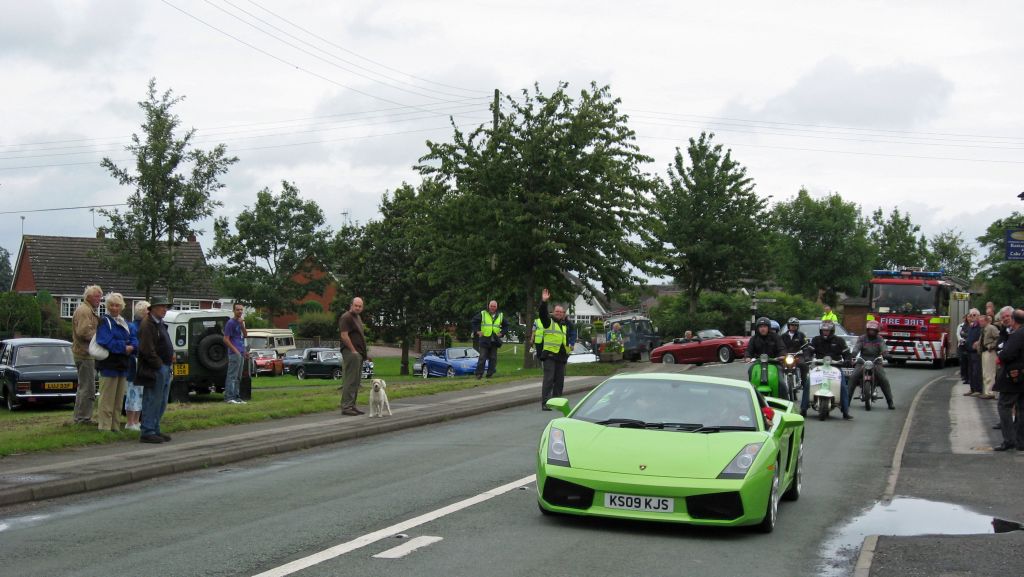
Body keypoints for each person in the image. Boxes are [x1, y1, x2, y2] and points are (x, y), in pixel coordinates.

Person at [93, 293, 137, 432]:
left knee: (118, 400)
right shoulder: (104, 322)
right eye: (111, 305)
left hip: (123, 365)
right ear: (107, 306)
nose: (114, 308)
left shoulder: (125, 323)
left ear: (122, 306)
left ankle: (115, 426)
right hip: (108, 365)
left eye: (117, 305)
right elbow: (105, 341)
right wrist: (124, 347)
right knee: (107, 400)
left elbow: (134, 338)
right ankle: (105, 427)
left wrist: (132, 346)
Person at [136, 296, 174, 444]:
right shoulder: (148, 325)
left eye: (166, 307)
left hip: (164, 366)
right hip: (155, 368)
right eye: (161, 307)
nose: (165, 309)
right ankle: (148, 430)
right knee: (152, 399)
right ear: (153, 309)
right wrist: (158, 365)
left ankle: (155, 428)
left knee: (161, 400)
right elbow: (147, 349)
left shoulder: (159, 323)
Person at [70, 285, 103, 425]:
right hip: (84, 354)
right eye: (96, 296)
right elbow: (83, 332)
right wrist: (100, 339)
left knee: (83, 386)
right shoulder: (84, 311)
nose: (99, 299)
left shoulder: (87, 309)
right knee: (88, 387)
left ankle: (79, 417)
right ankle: (83, 418)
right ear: (88, 297)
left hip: (83, 353)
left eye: (100, 297)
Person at [992, 309, 1024, 451]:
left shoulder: (1017, 334)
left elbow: (1007, 353)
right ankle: (1021, 441)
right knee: (1022, 408)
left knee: (1004, 406)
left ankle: (1009, 439)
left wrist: (1000, 358)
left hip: (1014, 376)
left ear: (1014, 319)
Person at [810, 321, 853, 419]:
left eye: (827, 331)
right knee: (809, 382)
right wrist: (807, 357)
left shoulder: (839, 341)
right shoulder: (816, 340)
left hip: (835, 367)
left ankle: (845, 411)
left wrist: (847, 360)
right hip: (819, 367)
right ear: (821, 330)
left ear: (832, 331)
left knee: (843, 386)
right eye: (824, 330)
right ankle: (803, 408)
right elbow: (809, 350)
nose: (825, 332)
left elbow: (846, 353)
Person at [538, 288, 573, 410]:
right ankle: (546, 402)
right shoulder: (548, 322)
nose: (559, 313)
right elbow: (542, 313)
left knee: (559, 381)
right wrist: (544, 302)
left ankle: (556, 402)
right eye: (557, 311)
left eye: (561, 312)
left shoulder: (564, 326)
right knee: (549, 379)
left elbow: (565, 341)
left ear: (563, 314)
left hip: (561, 357)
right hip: (549, 356)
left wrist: (568, 353)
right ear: (553, 312)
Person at [848, 321, 895, 410]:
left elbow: (883, 348)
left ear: (877, 331)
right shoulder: (862, 338)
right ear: (867, 330)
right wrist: (853, 354)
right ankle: (847, 401)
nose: (871, 332)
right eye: (870, 330)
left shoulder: (880, 339)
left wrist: (886, 355)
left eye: (873, 330)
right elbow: (857, 347)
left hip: (876, 361)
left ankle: (890, 401)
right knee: (852, 377)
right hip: (862, 360)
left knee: (884, 379)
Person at [338, 297, 367, 416]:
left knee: (356, 381)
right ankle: (346, 406)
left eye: (360, 306)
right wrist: (353, 350)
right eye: (356, 305)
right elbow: (344, 335)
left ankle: (352, 405)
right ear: (351, 305)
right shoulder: (346, 317)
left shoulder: (357, 317)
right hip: (351, 353)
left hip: (358, 353)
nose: (358, 308)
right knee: (350, 380)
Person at [744, 317, 787, 397]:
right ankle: (751, 397)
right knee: (751, 371)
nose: (762, 329)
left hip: (774, 363)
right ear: (757, 328)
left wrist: (782, 355)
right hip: (758, 363)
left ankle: (786, 401)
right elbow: (749, 350)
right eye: (760, 327)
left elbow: (782, 348)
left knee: (781, 382)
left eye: (764, 326)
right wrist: (747, 357)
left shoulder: (775, 337)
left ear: (768, 327)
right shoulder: (754, 339)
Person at [124, 300, 149, 431]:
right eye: (147, 311)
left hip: (142, 364)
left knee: (140, 394)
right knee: (133, 393)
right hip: (134, 365)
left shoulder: (145, 326)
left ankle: (137, 421)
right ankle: (130, 421)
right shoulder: (134, 327)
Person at [471, 300, 508, 379]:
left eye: (494, 306)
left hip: (494, 340)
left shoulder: (500, 315)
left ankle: (490, 374)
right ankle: (479, 374)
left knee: (493, 358)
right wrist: (477, 331)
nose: (492, 308)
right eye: (491, 306)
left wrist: (502, 333)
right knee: (482, 357)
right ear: (489, 306)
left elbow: (506, 326)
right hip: (484, 339)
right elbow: (474, 322)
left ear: (496, 307)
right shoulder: (483, 313)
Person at [223, 303, 248, 405]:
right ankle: (229, 397)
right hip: (234, 353)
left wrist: (242, 324)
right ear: (234, 311)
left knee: (238, 376)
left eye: (241, 310)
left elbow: (245, 335)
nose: (240, 312)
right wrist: (236, 350)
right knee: (232, 376)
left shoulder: (240, 323)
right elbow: (225, 339)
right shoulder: (230, 323)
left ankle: (237, 397)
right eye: (238, 310)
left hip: (241, 352)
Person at [781, 317, 810, 406]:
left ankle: (805, 384)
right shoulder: (783, 336)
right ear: (788, 326)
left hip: (797, 355)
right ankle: (781, 385)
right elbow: (779, 346)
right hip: (786, 355)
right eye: (791, 325)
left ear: (797, 326)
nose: (793, 327)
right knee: (779, 367)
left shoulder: (801, 335)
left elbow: (805, 347)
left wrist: (807, 357)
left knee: (803, 365)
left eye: (795, 325)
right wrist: (781, 354)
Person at [978, 314, 1000, 400]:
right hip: (984, 352)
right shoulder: (983, 329)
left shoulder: (991, 328)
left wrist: (991, 345)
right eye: (979, 321)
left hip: (990, 352)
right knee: (985, 372)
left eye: (982, 321)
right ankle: (987, 391)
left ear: (987, 321)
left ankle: (990, 392)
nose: (980, 323)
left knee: (990, 372)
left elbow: (998, 337)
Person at [964, 309, 982, 396]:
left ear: (978, 316)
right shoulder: (971, 326)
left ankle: (978, 390)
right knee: (970, 371)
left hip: (976, 352)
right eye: (971, 315)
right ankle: (972, 388)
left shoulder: (980, 326)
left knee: (976, 371)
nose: (972, 317)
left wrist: (978, 342)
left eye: (974, 315)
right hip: (969, 351)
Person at [957, 313, 971, 385]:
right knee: (963, 361)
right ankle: (965, 377)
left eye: (970, 316)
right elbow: (959, 334)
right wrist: (963, 338)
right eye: (968, 317)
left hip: (969, 346)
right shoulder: (962, 325)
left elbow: (969, 335)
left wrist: (965, 335)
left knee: (969, 362)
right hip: (962, 345)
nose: (969, 318)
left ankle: (969, 378)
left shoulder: (972, 325)